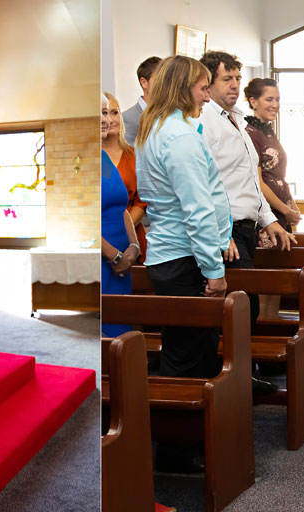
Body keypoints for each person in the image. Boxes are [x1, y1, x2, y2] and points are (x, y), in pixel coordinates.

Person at [135, 55, 232, 472]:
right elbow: (197, 209)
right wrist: (214, 271)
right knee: (186, 354)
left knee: (190, 349)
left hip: (167, 254)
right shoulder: (179, 137)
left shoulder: (153, 130)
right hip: (185, 258)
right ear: (181, 87)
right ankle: (174, 451)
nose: (206, 94)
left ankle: (188, 441)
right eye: (201, 86)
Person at [199, 50, 295, 395]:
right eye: (228, 79)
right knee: (237, 308)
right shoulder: (205, 120)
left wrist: (269, 219)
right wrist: (218, 231)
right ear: (206, 82)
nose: (235, 85)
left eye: (238, 78)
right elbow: (207, 182)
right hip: (224, 230)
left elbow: (250, 181)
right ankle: (231, 381)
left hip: (245, 226)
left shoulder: (236, 118)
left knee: (246, 306)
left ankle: (242, 376)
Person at [101, 94, 141, 337]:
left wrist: (133, 245)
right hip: (104, 259)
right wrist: (113, 256)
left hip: (123, 259)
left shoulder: (103, 158)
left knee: (121, 330)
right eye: (101, 113)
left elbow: (122, 206)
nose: (106, 119)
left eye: (108, 113)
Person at [243, 78, 301, 233]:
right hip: (268, 215)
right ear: (253, 102)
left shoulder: (267, 132)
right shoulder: (250, 135)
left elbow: (279, 176)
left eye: (277, 99)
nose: (275, 105)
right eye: (269, 99)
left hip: (282, 211)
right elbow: (258, 182)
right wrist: (285, 210)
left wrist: (292, 206)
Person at [104, 91, 148, 262]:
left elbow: (142, 201)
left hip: (132, 237)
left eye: (115, 113)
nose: (111, 119)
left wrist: (123, 229)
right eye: (105, 113)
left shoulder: (135, 156)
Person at [122, 56, 162, 145]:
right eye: (160, 79)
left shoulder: (169, 114)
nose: (165, 85)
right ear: (144, 82)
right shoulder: (127, 118)